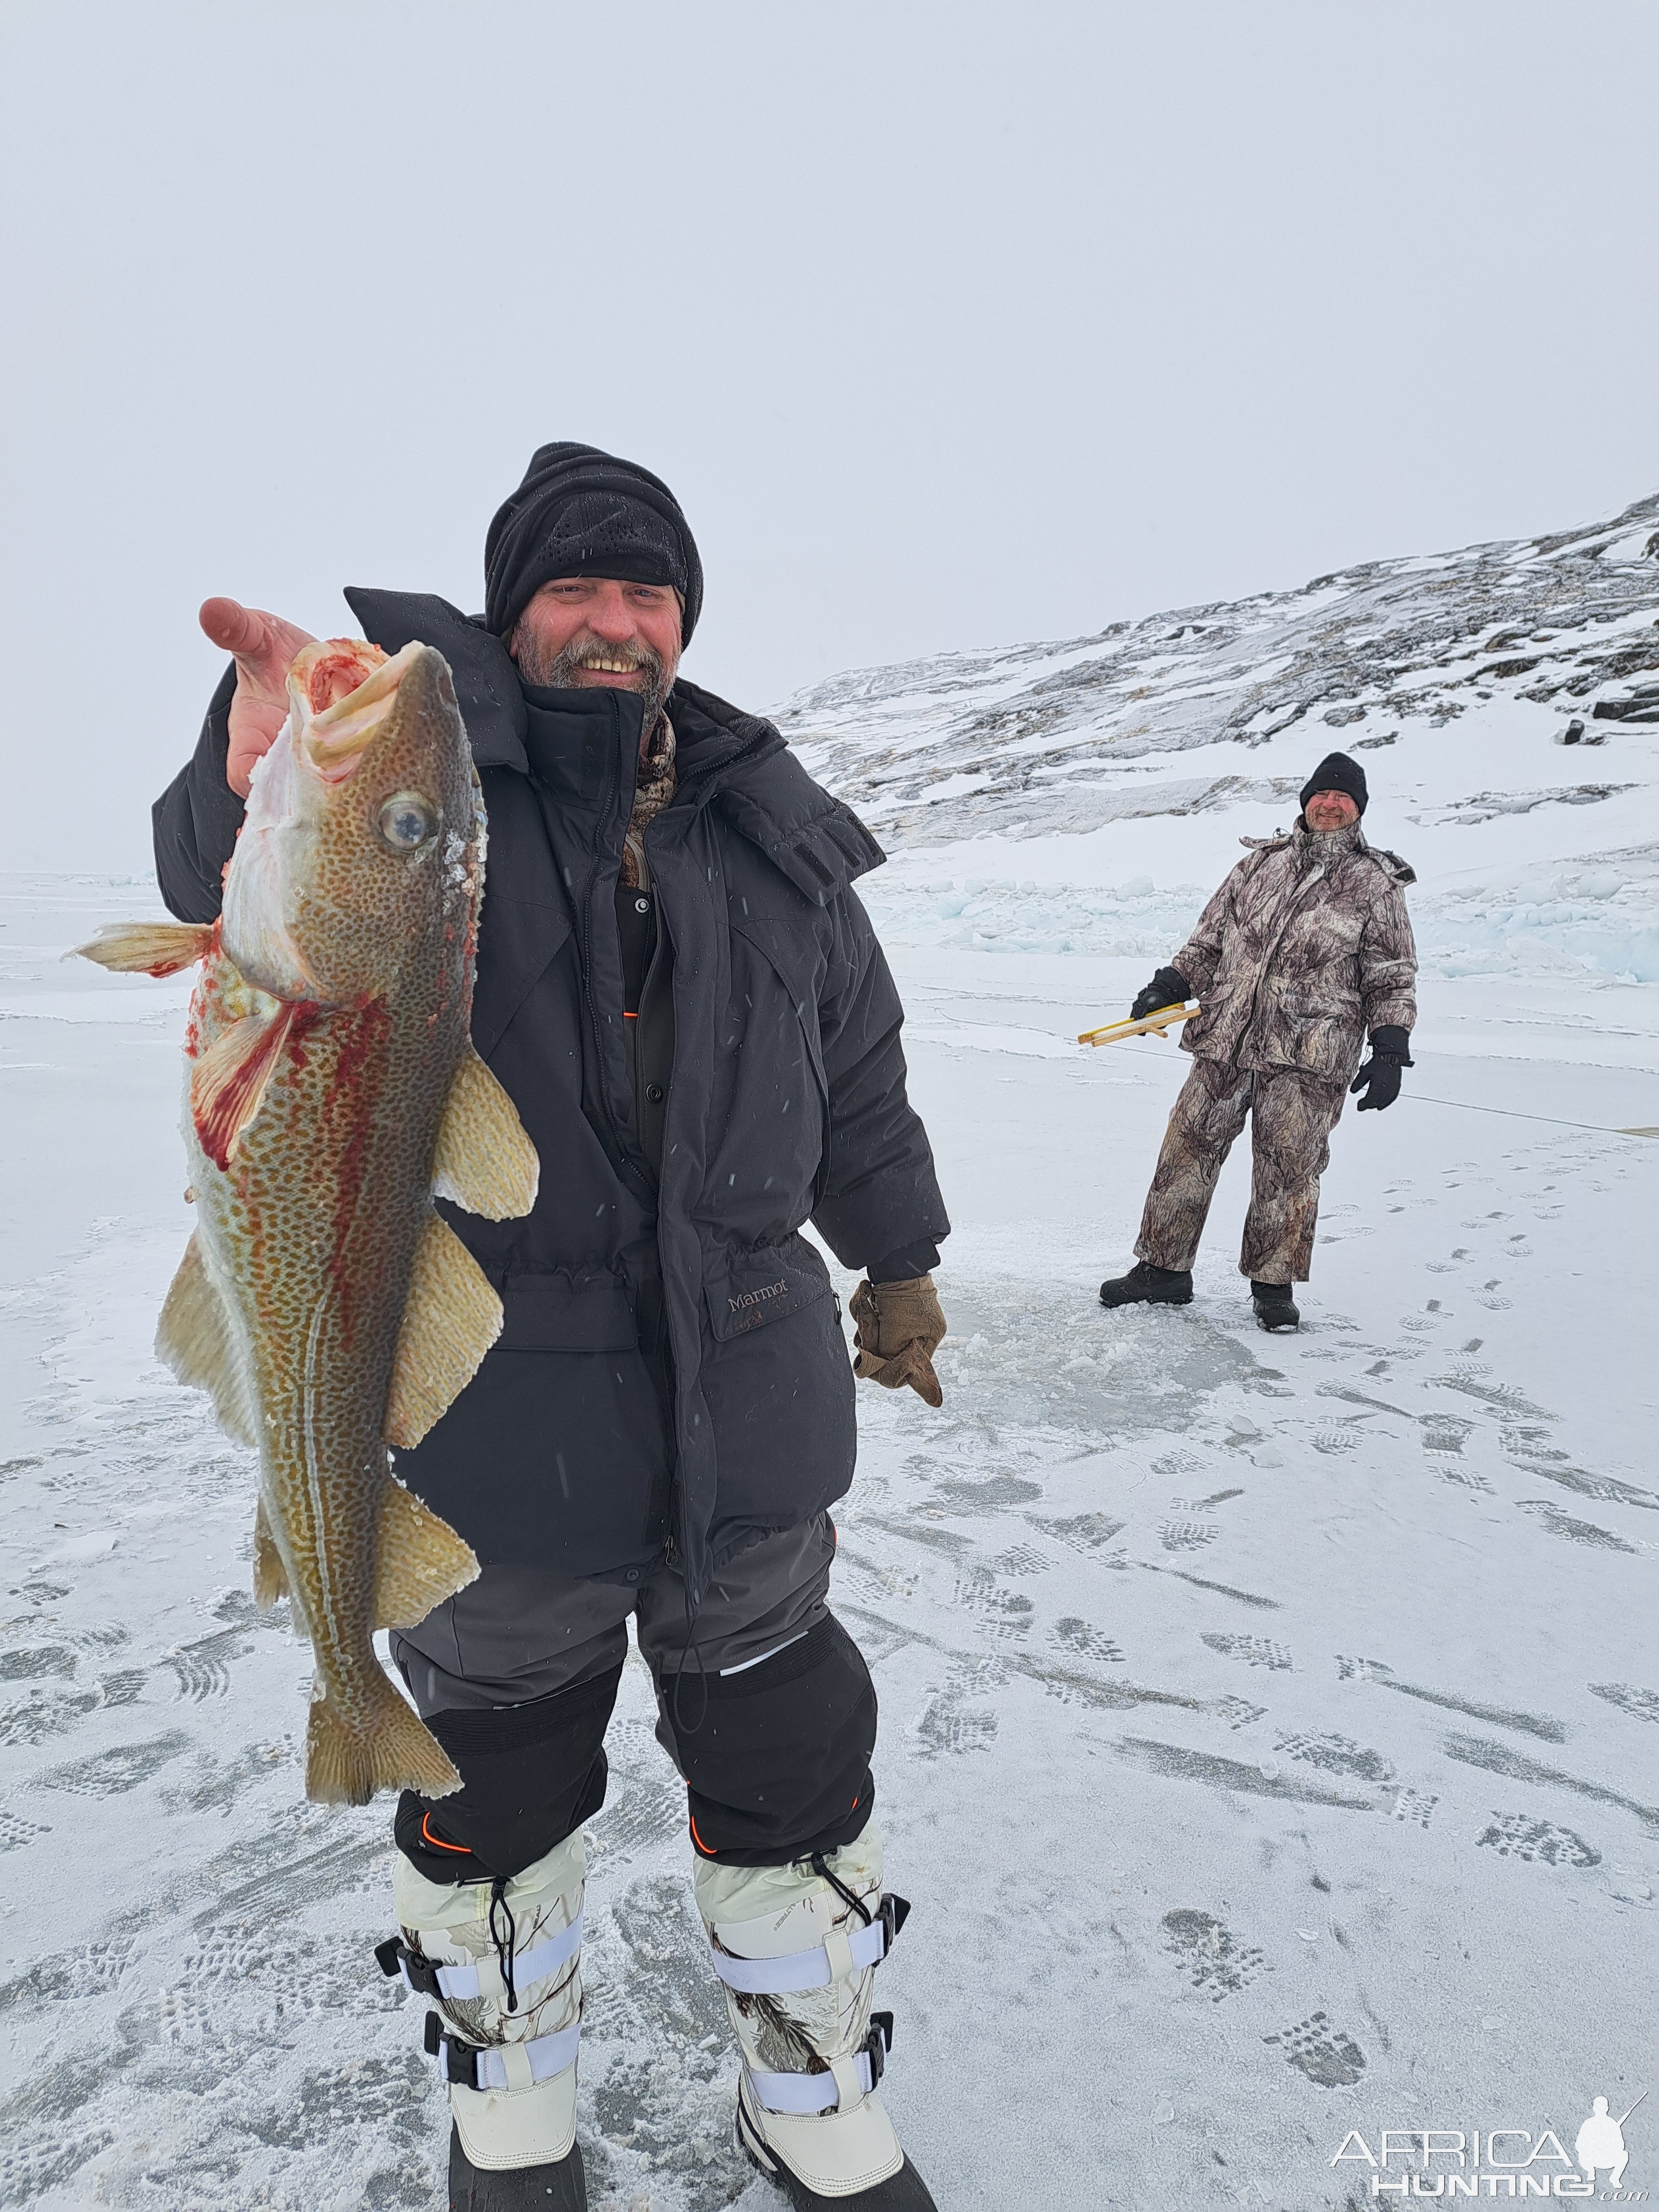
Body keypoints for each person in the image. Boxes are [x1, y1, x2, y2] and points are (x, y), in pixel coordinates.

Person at [153, 444, 951, 2212]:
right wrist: (245, 776)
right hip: (504, 1419)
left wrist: (898, 1261)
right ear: (517, 611)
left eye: (646, 592)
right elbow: (266, 894)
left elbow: (860, 1079)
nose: (614, 622)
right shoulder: (443, 790)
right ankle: (509, 2090)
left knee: (791, 1763)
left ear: (683, 618)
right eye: (576, 591)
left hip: (749, 1407)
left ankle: (810, 2082)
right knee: (497, 1780)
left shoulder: (767, 827)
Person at [1098, 752, 1416, 1332]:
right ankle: (1164, 1269)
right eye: (1322, 793)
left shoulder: (1375, 883)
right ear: (1306, 799)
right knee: (1186, 1149)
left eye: (1343, 797)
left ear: (1359, 809)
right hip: (1227, 1037)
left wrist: (1391, 1045)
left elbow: (1391, 972)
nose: (1330, 804)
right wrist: (1168, 984)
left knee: (1288, 1167)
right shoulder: (1258, 865)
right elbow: (1209, 941)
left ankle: (1274, 1285)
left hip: (1308, 1052)